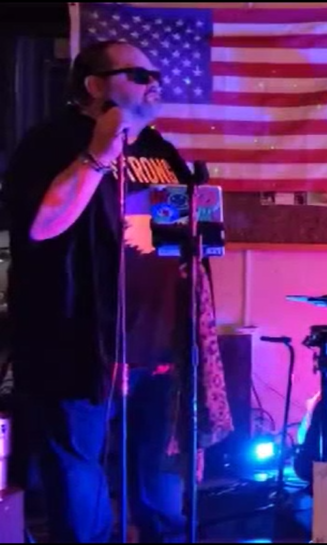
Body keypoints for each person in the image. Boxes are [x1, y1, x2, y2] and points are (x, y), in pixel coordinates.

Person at [2, 40, 231, 542]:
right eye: (140, 75)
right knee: (79, 478)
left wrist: (203, 222)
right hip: (82, 346)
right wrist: (100, 153)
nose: (155, 84)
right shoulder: (51, 142)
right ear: (94, 86)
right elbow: (41, 227)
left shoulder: (160, 151)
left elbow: (179, 242)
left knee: (159, 485)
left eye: (156, 76)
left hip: (159, 345)